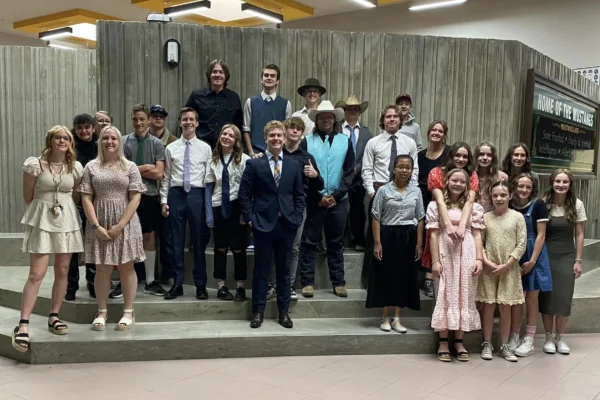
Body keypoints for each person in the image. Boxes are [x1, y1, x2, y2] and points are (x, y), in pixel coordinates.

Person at [12, 126, 84, 353]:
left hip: (67, 219)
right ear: (50, 140)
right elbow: (28, 196)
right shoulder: (35, 164)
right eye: (58, 137)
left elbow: (75, 194)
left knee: (63, 270)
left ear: (70, 142)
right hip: (42, 217)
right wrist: (44, 210)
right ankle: (23, 323)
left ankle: (54, 315)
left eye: (66, 138)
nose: (62, 141)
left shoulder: (75, 167)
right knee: (37, 273)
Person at [239, 121, 306, 329]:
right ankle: (258, 311)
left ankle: (283, 312)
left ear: (284, 138)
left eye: (279, 135)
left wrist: (295, 218)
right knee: (261, 269)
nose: (276, 139)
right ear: (265, 138)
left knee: (284, 271)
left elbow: (299, 195)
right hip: (262, 225)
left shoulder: (294, 166)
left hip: (287, 224)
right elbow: (244, 194)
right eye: (272, 136)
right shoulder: (254, 164)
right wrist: (251, 218)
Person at [79, 126, 146, 332]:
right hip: (99, 221)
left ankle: (128, 312)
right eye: (106, 138)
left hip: (125, 221)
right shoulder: (91, 166)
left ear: (119, 142)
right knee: (102, 267)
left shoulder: (130, 166)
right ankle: (101, 312)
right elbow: (86, 197)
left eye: (114, 138)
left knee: (126, 266)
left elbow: (135, 197)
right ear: (100, 142)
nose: (109, 141)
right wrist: (96, 225)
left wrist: (119, 226)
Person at [298, 101, 355, 298]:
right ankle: (307, 282)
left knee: (336, 242)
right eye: (322, 117)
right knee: (309, 241)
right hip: (315, 200)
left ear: (335, 119)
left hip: (340, 200)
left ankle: (338, 282)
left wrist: (337, 195)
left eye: (329, 116)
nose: (326, 119)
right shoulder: (306, 141)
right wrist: (319, 196)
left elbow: (349, 172)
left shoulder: (345, 141)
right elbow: (303, 172)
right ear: (317, 120)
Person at [427, 168, 484, 362]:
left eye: (462, 182)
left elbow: (477, 234)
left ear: (467, 185)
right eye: (454, 180)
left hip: (466, 252)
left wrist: (478, 258)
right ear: (446, 182)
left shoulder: (474, 207)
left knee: (464, 293)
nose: (458, 184)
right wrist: (435, 261)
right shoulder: (435, 206)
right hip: (444, 251)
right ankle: (443, 341)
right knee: (445, 292)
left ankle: (459, 341)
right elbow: (433, 234)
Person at [265, 117, 324, 301]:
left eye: (299, 129)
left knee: (294, 247)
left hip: (298, 207)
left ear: (302, 133)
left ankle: (288, 285)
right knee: (274, 246)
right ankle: (272, 285)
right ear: (285, 131)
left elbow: (319, 186)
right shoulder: (274, 153)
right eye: (291, 128)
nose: (295, 131)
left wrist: (315, 175)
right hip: (275, 205)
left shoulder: (306, 157)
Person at [367, 155, 424, 333]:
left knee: (403, 276)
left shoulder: (416, 191)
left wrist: (419, 243)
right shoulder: (383, 190)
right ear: (394, 168)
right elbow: (375, 216)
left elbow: (421, 217)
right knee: (385, 275)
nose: (404, 170)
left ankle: (397, 318)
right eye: (401, 166)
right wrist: (377, 243)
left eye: (408, 167)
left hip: (408, 236)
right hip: (387, 234)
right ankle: (384, 316)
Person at [161, 107, 212, 300]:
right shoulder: (171, 148)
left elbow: (208, 179)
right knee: (176, 241)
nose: (188, 122)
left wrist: (207, 206)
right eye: (185, 119)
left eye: (192, 119)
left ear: (197, 123)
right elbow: (166, 177)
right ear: (180, 122)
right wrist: (164, 200)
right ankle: (177, 283)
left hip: (197, 195)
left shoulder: (205, 148)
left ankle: (201, 284)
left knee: (199, 241)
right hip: (176, 194)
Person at [479, 181, 527, 362]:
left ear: (510, 196)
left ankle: (504, 345)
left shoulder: (517, 217)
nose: (499, 198)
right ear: (491, 197)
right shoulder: (485, 217)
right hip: (489, 268)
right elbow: (480, 242)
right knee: (489, 306)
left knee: (506, 308)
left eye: (502, 195)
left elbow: (522, 243)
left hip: (509, 269)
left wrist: (508, 264)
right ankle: (487, 343)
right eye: (495, 195)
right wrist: (485, 260)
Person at [539, 169, 586, 355]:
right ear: (552, 182)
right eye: (557, 181)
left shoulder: (577, 204)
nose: (560, 185)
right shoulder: (543, 203)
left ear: (570, 184)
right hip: (547, 256)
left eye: (564, 182)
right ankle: (548, 337)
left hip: (567, 256)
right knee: (548, 297)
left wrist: (578, 260)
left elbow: (580, 233)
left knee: (564, 298)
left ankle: (560, 337)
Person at [123, 104, 166, 296]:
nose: (138, 122)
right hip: (127, 195)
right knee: (127, 237)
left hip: (148, 195)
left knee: (149, 236)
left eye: (142, 119)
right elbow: (120, 172)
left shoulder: (157, 144)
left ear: (149, 120)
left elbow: (159, 173)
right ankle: (126, 279)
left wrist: (134, 170)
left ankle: (150, 280)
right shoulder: (124, 142)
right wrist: (145, 167)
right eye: (135, 119)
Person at [205, 124, 251, 301]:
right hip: (218, 207)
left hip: (237, 206)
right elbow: (209, 189)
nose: (226, 137)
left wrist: (244, 214)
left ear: (236, 140)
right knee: (220, 247)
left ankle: (240, 286)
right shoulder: (213, 161)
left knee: (239, 248)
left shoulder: (244, 160)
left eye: (231, 135)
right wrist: (209, 214)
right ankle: (221, 286)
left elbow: (248, 189)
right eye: (224, 133)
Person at [510, 173, 552, 357]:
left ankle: (529, 339)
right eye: (520, 186)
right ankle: (513, 335)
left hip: (533, 252)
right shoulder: (509, 204)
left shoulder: (539, 205)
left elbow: (541, 234)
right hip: (514, 253)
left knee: (531, 298)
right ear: (515, 186)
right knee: (516, 298)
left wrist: (532, 261)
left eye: (528, 186)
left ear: (532, 188)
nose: (524, 190)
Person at [422, 143, 479, 273]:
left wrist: (462, 226)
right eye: (457, 155)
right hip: (442, 220)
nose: (461, 159)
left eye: (465, 156)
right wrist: (448, 225)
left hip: (463, 220)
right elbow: (440, 201)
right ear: (451, 156)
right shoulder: (436, 172)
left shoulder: (472, 175)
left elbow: (469, 201)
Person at [65, 114, 98, 301]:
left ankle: (93, 283)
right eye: (80, 128)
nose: (84, 131)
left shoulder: (98, 148)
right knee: (72, 246)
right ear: (75, 129)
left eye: (87, 127)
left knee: (93, 243)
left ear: (93, 128)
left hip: (95, 202)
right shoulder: (69, 149)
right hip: (73, 202)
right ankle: (71, 286)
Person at [335, 95, 373, 251]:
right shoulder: (337, 129)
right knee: (339, 208)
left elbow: (367, 154)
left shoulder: (366, 132)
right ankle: (341, 241)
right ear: (344, 111)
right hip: (340, 176)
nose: (352, 111)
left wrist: (356, 169)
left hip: (358, 178)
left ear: (359, 112)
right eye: (349, 109)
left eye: (355, 109)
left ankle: (358, 239)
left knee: (357, 209)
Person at [417, 120, 449, 298]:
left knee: (434, 236)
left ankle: (430, 277)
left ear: (444, 134)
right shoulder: (420, 155)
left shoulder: (449, 153)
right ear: (428, 133)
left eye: (440, 130)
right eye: (433, 130)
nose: (436, 133)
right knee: (421, 236)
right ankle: (420, 276)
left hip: (440, 200)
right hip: (421, 199)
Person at [184, 59, 243, 149]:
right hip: (200, 146)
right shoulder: (196, 95)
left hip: (225, 147)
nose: (217, 75)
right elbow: (186, 120)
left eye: (221, 72)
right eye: (214, 72)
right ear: (209, 75)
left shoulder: (233, 98)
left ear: (226, 76)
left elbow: (238, 125)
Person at [148, 104, 177, 284]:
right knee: (145, 236)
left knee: (167, 238)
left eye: (161, 116)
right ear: (149, 118)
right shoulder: (140, 139)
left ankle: (168, 274)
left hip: (167, 194)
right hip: (146, 195)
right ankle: (143, 275)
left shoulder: (174, 141)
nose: (158, 118)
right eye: (154, 115)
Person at [243, 64, 292, 156]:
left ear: (277, 81)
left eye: (273, 76)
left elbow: (286, 131)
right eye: (266, 75)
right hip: (256, 154)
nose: (269, 78)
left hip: (277, 154)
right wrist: (251, 152)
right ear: (261, 79)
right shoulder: (250, 102)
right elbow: (246, 129)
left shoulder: (286, 104)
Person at [474, 141, 508, 212]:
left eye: (489, 155)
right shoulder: (470, 175)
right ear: (476, 157)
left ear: (493, 158)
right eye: (481, 154)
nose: (485, 158)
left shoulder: (502, 177)